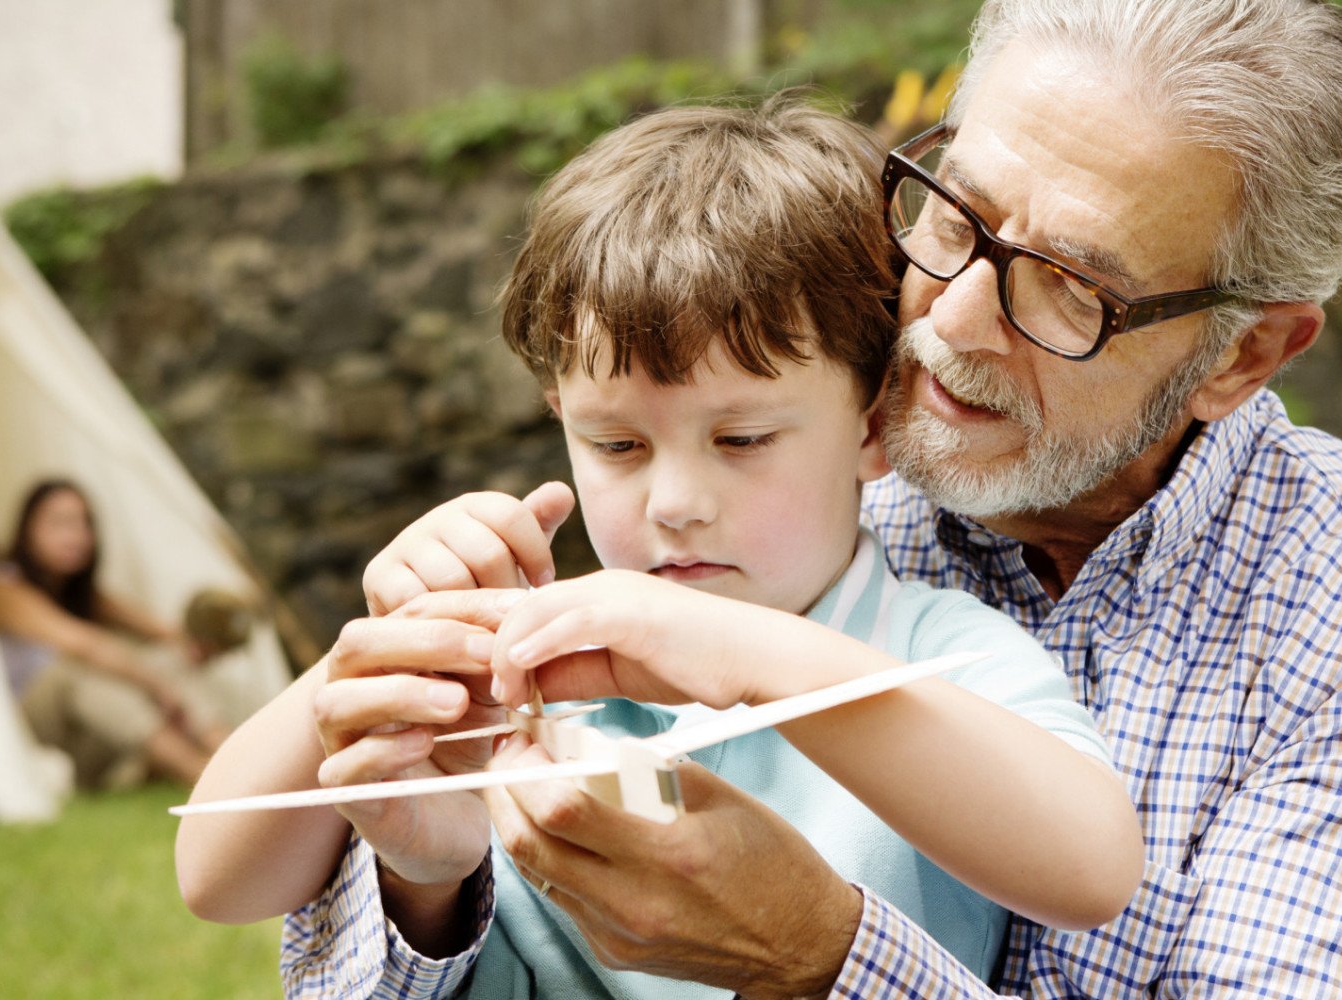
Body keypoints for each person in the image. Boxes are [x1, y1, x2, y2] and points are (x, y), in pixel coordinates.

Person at [279, 1, 1342, 995]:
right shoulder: (771, 500)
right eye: (957, 214)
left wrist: (821, 962)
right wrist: (423, 876)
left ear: (1243, 353)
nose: (949, 319)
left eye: (1067, 287)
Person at [174, 99, 1146, 995]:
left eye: (741, 441)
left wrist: (746, 658)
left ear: (872, 426)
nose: (674, 503)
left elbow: (1090, 867)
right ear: (558, 416)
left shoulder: (940, 654)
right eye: (616, 445)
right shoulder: (527, 655)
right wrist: (385, 670)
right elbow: (215, 875)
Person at [0, 479, 229, 787]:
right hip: (34, 735)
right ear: (27, 530)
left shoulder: (82, 595)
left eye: (84, 524)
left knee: (168, 660)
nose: (75, 536)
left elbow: (163, 633)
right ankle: (204, 776)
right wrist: (158, 687)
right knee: (78, 671)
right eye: (60, 523)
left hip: (88, 740)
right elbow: (85, 645)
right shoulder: (4, 590)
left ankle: (233, 755)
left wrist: (194, 645)